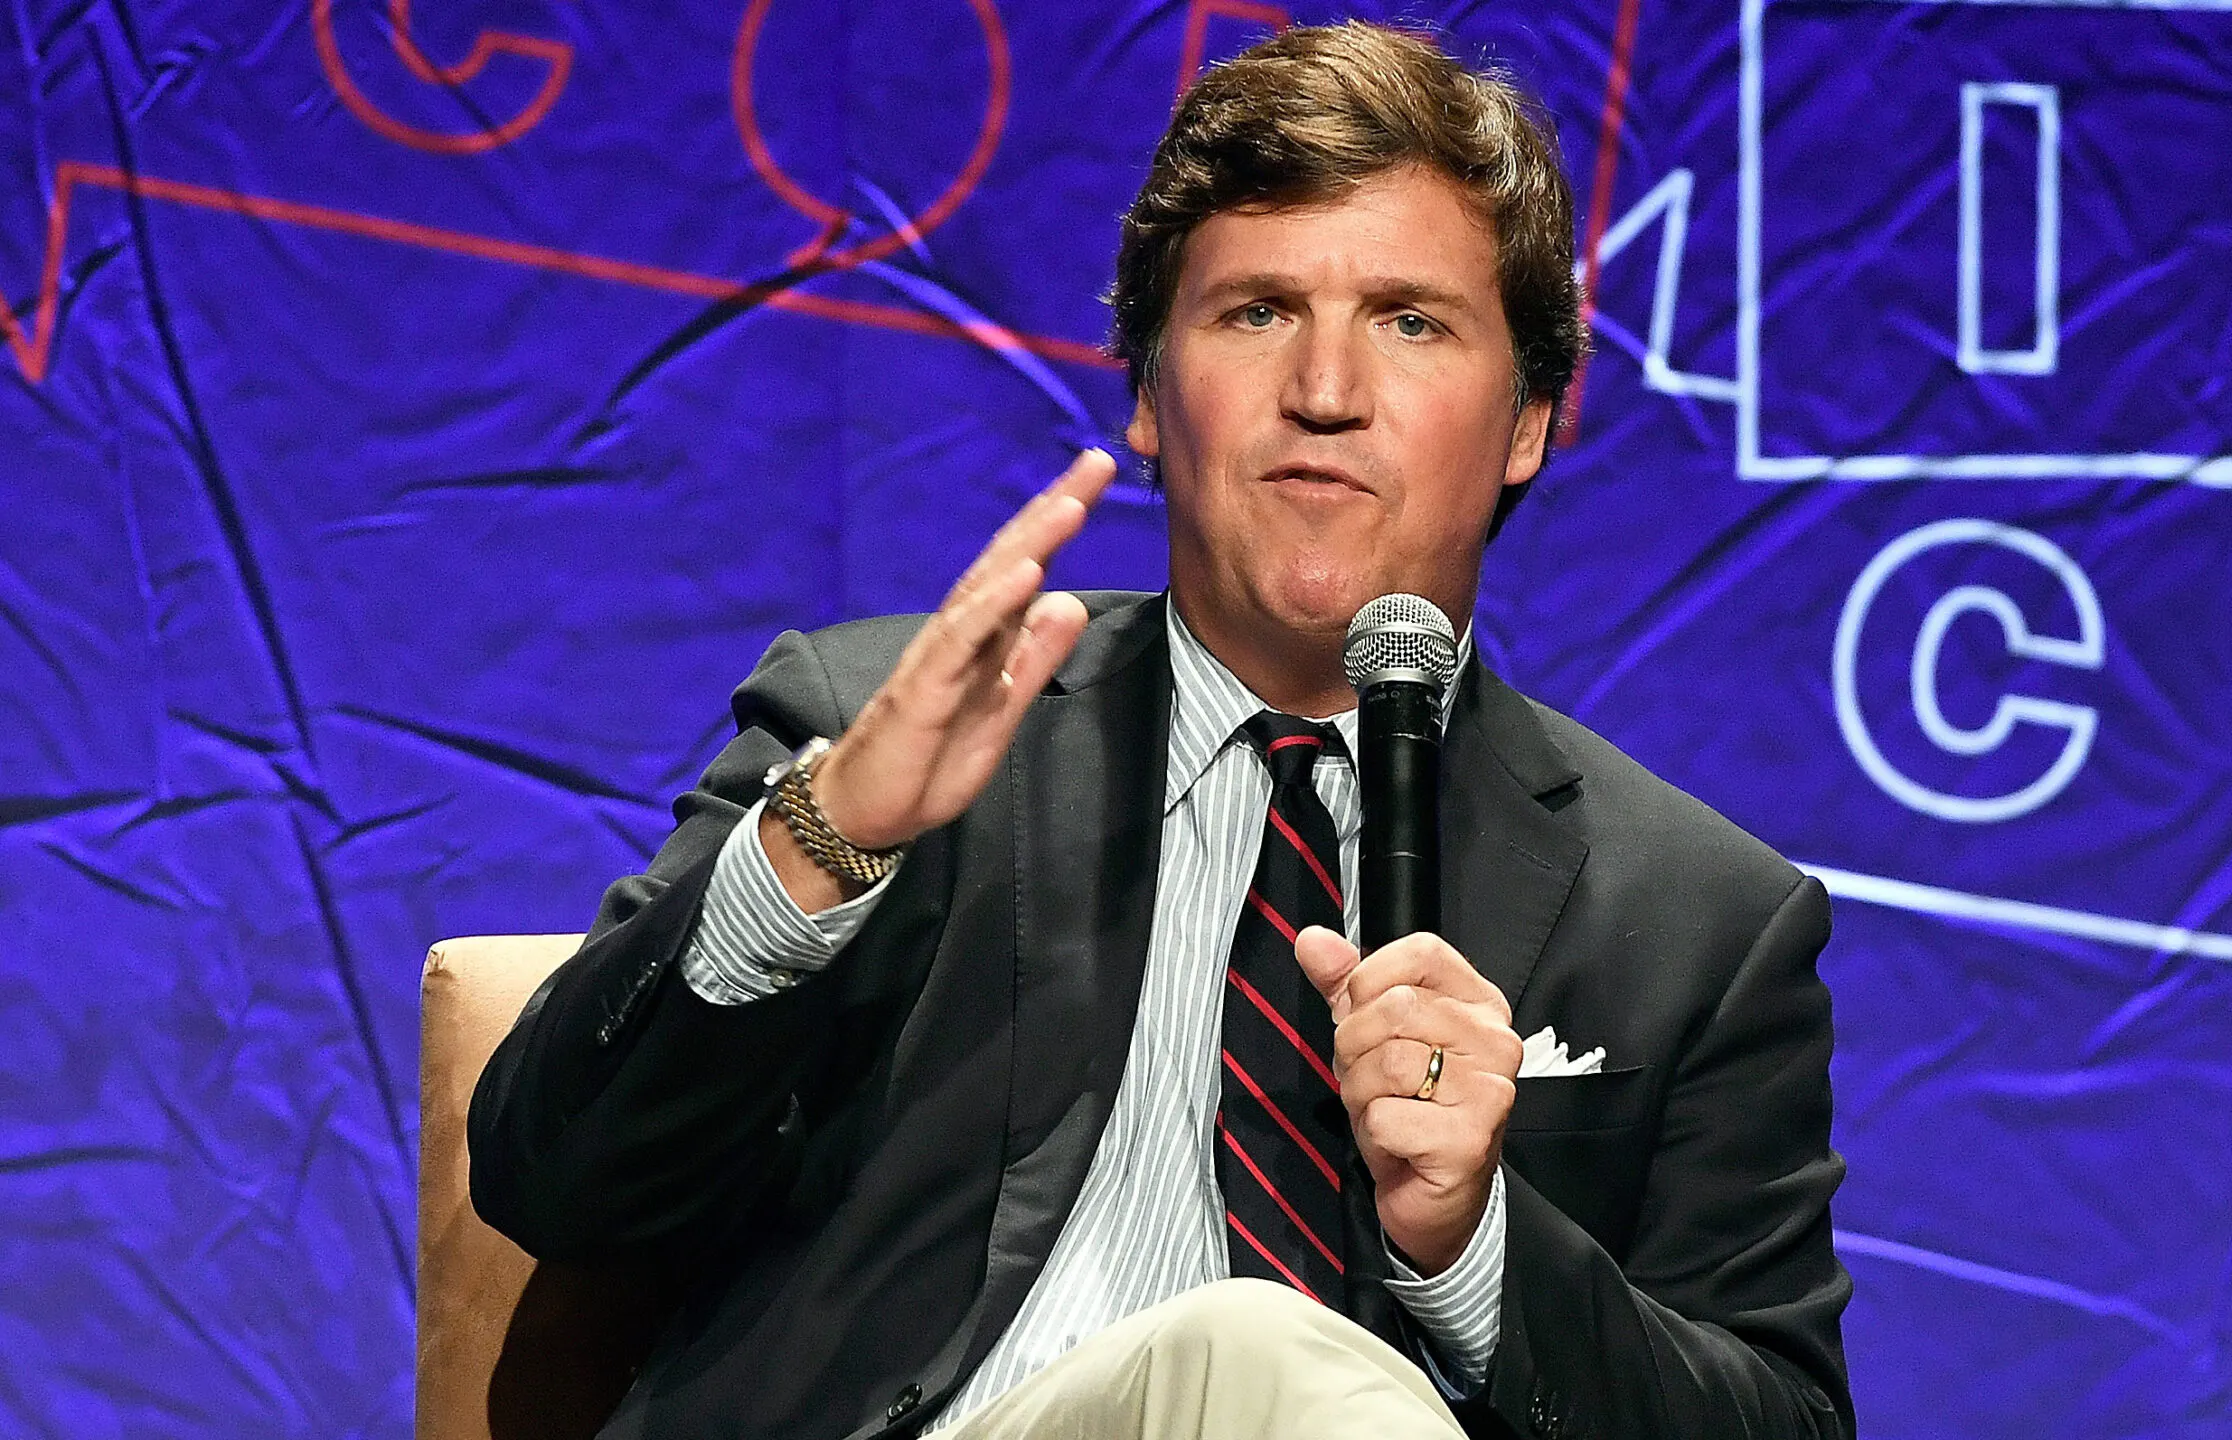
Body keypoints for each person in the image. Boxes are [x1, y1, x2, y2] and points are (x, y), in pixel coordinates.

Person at [470, 22, 1852, 1440]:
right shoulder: (882, 742)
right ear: (1146, 395)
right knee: (1252, 1346)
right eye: (1255, 312)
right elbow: (549, 1184)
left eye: (1409, 321)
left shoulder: (1697, 923)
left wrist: (1476, 1249)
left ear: (1528, 423)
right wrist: (821, 848)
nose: (1325, 392)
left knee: (1269, 1360)